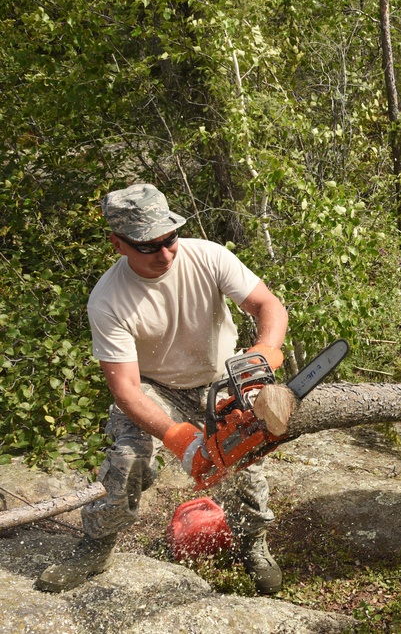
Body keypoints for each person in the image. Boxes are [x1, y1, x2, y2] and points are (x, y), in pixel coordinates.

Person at [36, 183, 289, 595]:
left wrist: (264, 352)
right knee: (128, 460)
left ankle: (252, 541)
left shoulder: (207, 255)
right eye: (148, 246)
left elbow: (269, 305)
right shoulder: (108, 300)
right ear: (119, 243)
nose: (166, 252)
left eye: (169, 238)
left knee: (245, 460)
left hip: (221, 378)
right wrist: (179, 437)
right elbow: (127, 391)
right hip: (155, 387)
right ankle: (96, 546)